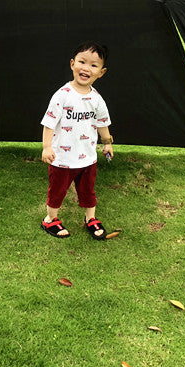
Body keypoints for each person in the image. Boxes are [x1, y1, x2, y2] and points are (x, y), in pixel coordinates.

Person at [40, 42, 114, 239]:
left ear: (101, 72)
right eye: (82, 62)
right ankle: (50, 219)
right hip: (62, 158)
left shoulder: (97, 99)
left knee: (88, 191)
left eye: (93, 65)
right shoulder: (62, 95)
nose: (86, 68)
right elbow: (49, 123)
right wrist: (47, 147)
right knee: (57, 191)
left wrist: (107, 143)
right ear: (72, 64)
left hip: (87, 158)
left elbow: (102, 123)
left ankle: (90, 218)